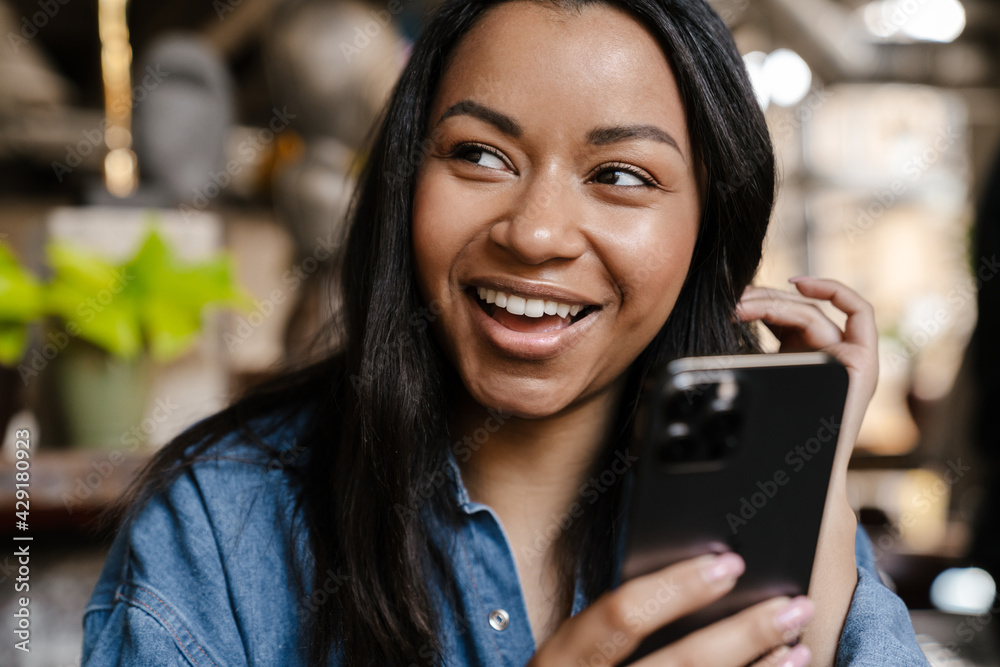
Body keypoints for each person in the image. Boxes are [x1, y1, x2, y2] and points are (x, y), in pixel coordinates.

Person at [81, 0, 932, 665]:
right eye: (481, 155)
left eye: (622, 175)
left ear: (710, 228)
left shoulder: (766, 511)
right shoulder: (218, 528)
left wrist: (807, 453)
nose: (535, 231)